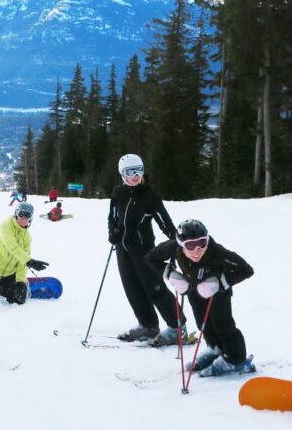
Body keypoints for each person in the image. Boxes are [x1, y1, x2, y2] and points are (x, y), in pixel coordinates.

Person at [145, 219, 254, 376]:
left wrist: (221, 282)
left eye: (201, 243)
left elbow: (246, 270)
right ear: (181, 244)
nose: (196, 250)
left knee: (222, 324)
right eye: (190, 245)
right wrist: (170, 274)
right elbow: (151, 258)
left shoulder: (217, 252)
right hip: (193, 290)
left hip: (218, 292)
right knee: (203, 324)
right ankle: (214, 349)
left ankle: (235, 359)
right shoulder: (173, 248)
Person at [107, 153, 186, 345]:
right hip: (122, 250)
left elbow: (165, 222)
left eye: (139, 171)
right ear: (122, 174)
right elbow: (113, 217)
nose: (135, 176)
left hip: (144, 251)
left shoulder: (150, 197)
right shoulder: (119, 193)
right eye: (130, 172)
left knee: (155, 289)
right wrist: (113, 232)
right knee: (132, 289)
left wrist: (178, 242)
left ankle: (177, 327)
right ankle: (148, 325)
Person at [0, 202, 48, 305]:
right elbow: (12, 247)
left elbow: (22, 261)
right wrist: (29, 261)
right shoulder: (5, 226)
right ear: (16, 214)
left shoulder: (27, 237)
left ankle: (2, 286)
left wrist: (20, 281)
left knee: (18, 300)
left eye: (28, 215)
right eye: (21, 214)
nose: (24, 218)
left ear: (30, 219)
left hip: (10, 273)